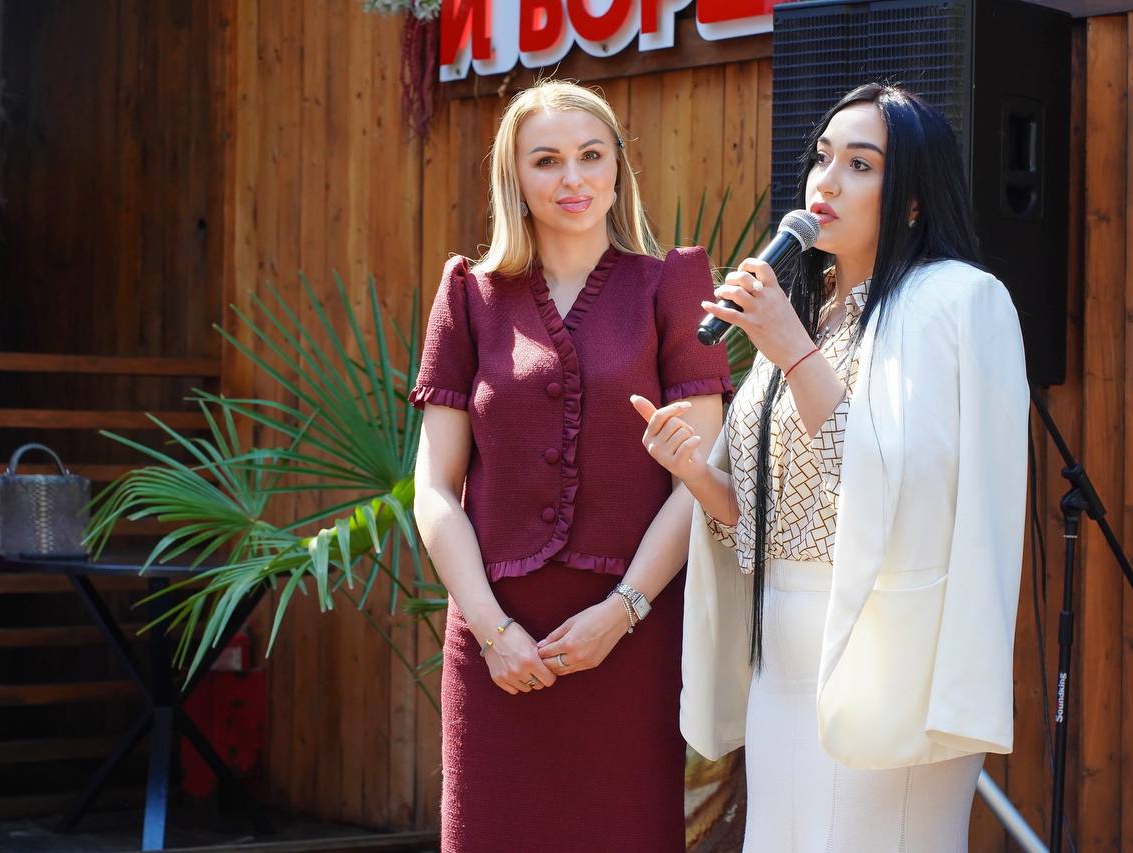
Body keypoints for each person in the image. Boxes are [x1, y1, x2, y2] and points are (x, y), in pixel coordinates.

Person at [636, 83, 1030, 851]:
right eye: (823, 158)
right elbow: (766, 519)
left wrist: (792, 350)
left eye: (860, 164)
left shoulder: (957, 301)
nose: (827, 181)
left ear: (912, 199)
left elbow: (911, 492)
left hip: (889, 651)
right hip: (779, 653)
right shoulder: (808, 313)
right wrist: (696, 473)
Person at [409, 80, 731, 853]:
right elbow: (434, 489)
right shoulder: (468, 295)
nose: (573, 178)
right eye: (546, 160)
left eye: (591, 155)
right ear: (514, 176)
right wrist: (492, 631)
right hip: (497, 646)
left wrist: (621, 612)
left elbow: (696, 481)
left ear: (618, 166)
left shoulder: (673, 285)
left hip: (633, 639)